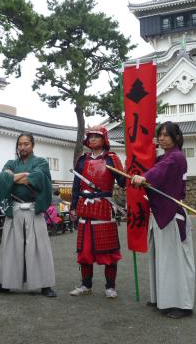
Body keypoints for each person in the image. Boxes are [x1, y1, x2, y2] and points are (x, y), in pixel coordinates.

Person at [131, 122, 195, 319]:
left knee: (174, 261)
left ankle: (182, 305)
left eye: (167, 135)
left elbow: (158, 172)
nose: (162, 138)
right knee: (163, 259)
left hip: (172, 215)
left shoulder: (176, 157)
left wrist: (144, 178)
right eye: (160, 135)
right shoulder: (164, 157)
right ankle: (164, 298)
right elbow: (155, 165)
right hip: (161, 213)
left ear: (176, 137)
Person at [0, 132, 57, 297]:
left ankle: (44, 285)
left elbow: (38, 178)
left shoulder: (41, 162)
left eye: (26, 143)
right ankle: (6, 283)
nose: (23, 147)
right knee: (11, 247)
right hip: (15, 208)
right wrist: (23, 176)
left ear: (33, 145)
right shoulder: (11, 163)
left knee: (39, 247)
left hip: (34, 209)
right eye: (20, 144)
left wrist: (12, 178)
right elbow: (2, 179)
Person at [69, 126, 126, 299]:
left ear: (104, 140)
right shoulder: (81, 160)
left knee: (108, 249)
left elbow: (123, 182)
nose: (93, 139)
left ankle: (110, 286)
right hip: (84, 206)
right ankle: (86, 284)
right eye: (90, 137)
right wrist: (73, 206)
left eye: (97, 136)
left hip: (104, 207)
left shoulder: (112, 159)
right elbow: (76, 185)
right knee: (84, 250)